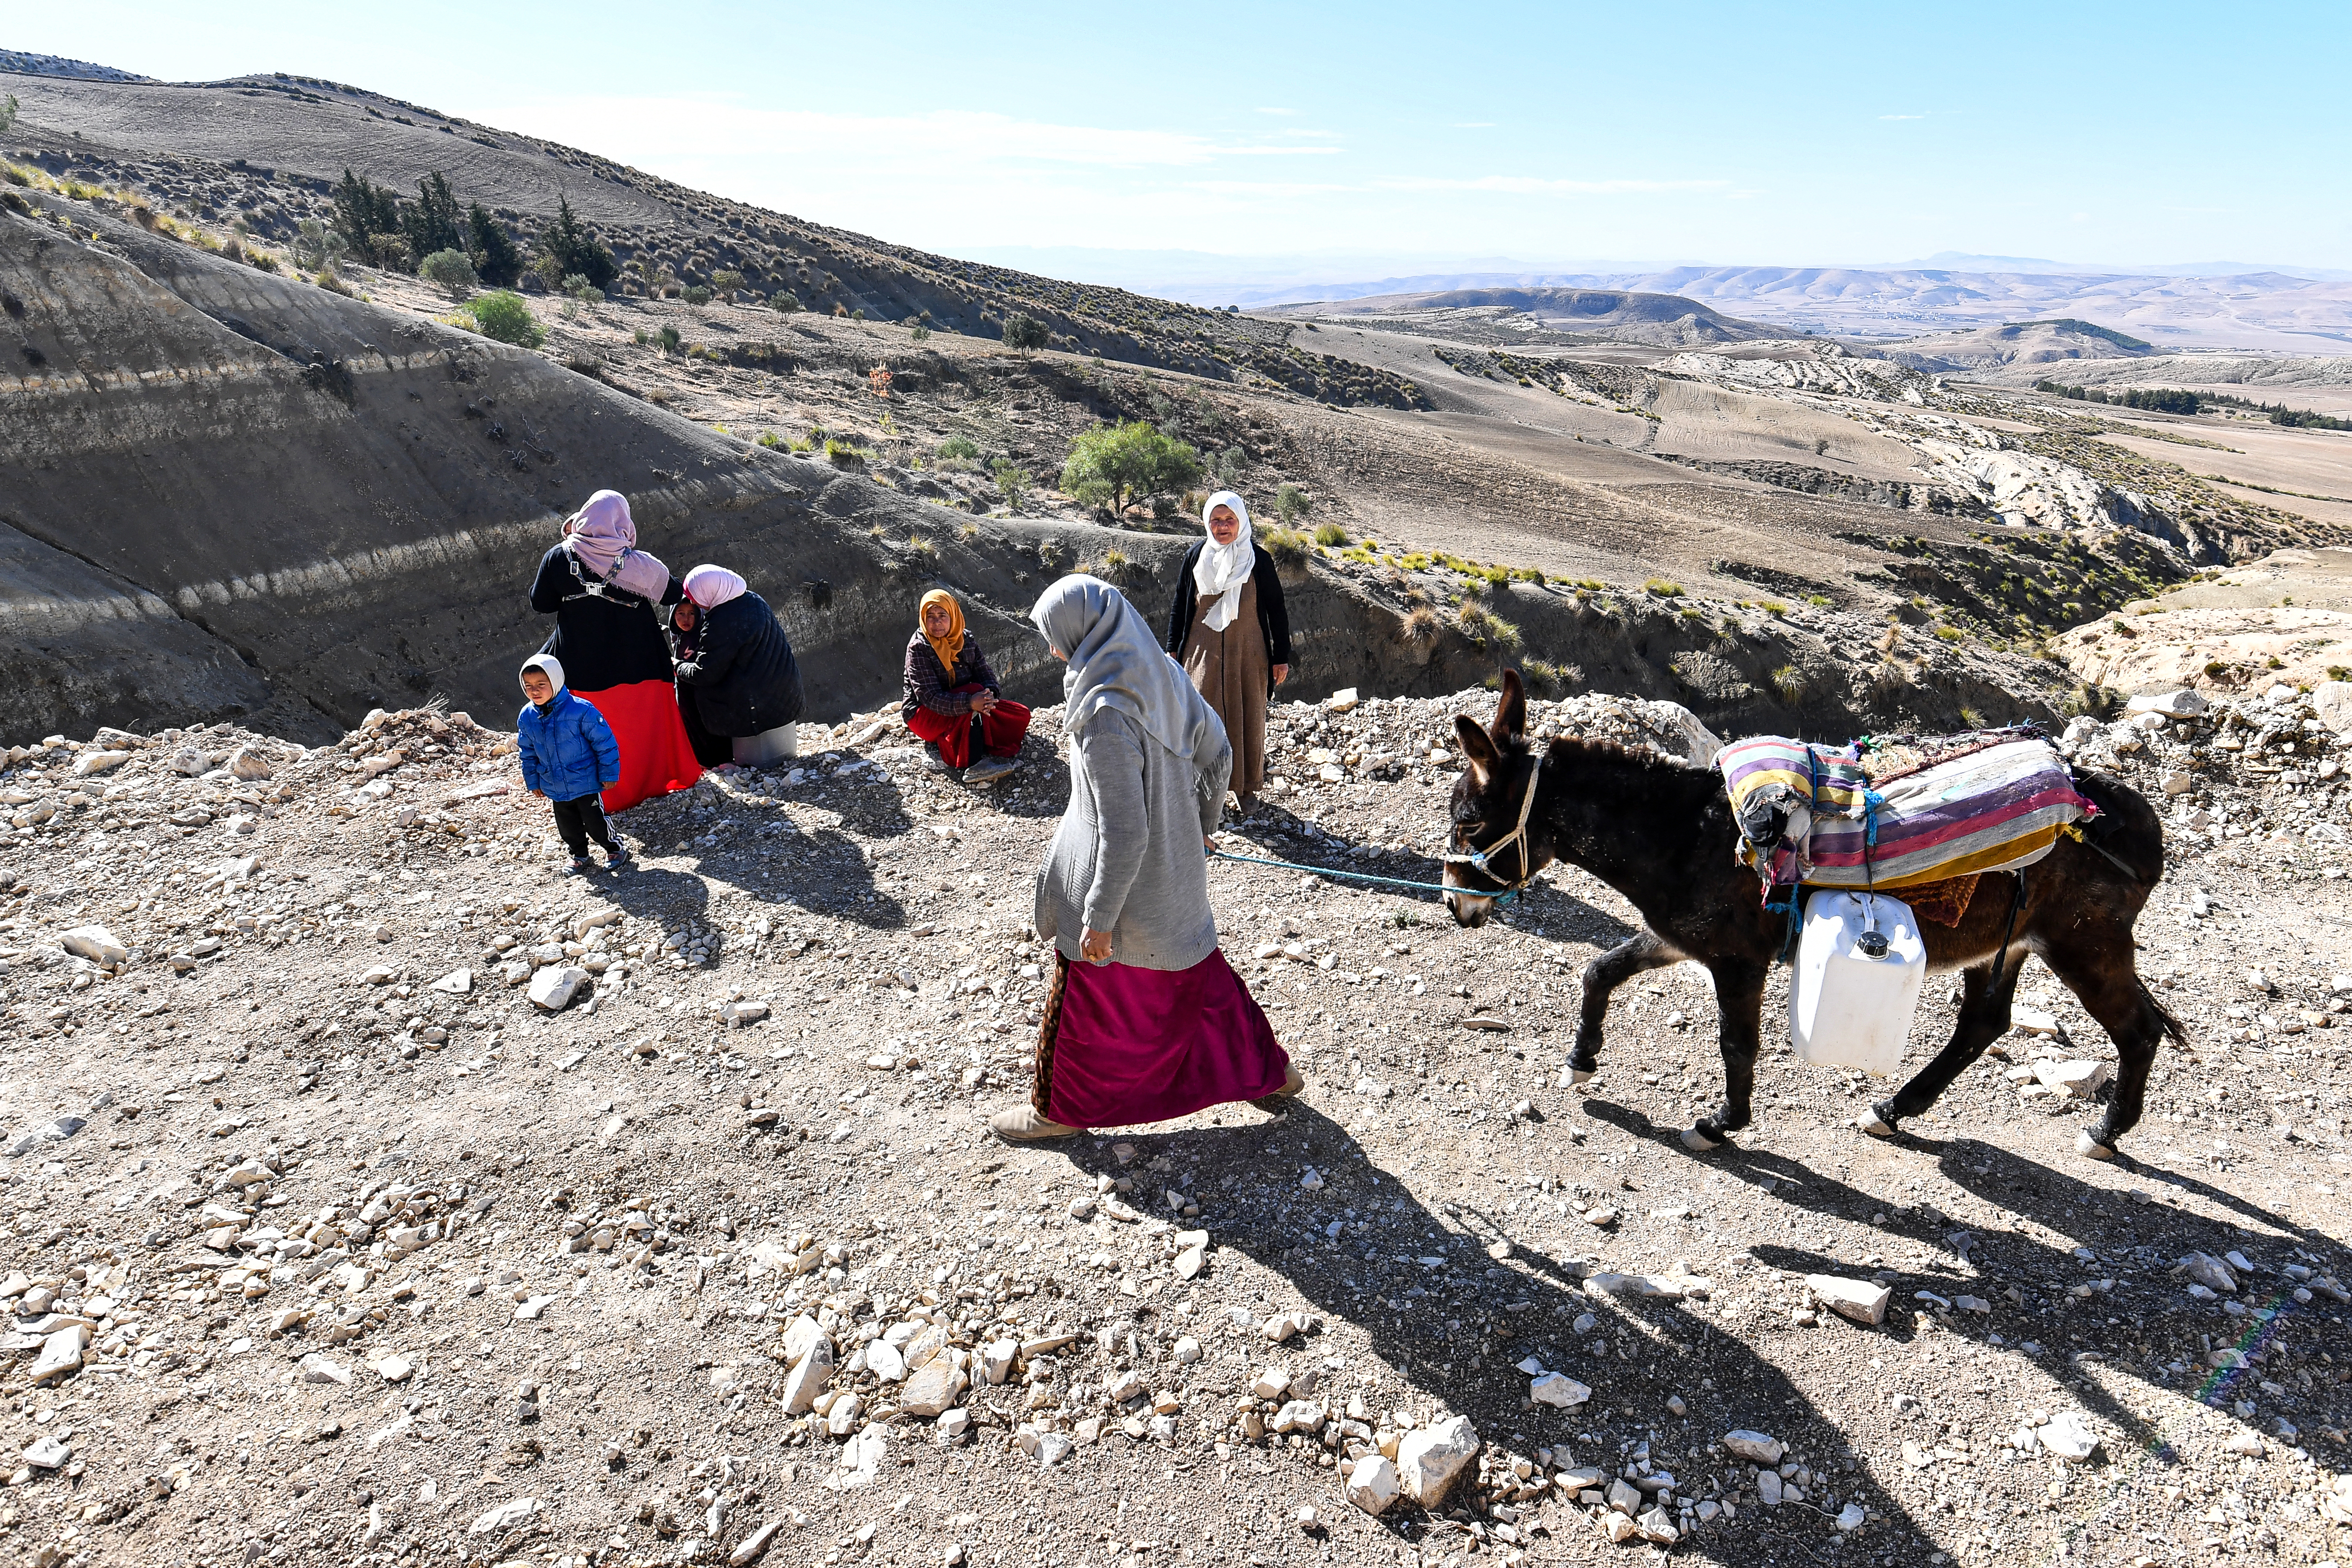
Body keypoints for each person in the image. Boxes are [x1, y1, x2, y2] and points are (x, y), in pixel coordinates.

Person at [994, 575, 1300, 1141]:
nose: (1055, 649)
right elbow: (1219, 752)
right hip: (1176, 877)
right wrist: (1201, 828)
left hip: (1123, 891)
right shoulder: (1161, 671)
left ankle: (1056, 1109)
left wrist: (1100, 920)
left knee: (1083, 1005)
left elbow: (1126, 831)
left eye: (1055, 637)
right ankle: (1272, 1072)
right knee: (1199, 975)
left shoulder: (1105, 713)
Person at [528, 490, 701, 812]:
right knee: (638, 729)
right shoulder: (639, 566)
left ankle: (597, 796)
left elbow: (541, 604)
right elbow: (673, 593)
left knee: (590, 732)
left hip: (581, 664)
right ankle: (648, 784)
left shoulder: (558, 558)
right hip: (640, 663)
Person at [1164, 490, 1290, 814]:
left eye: (1229, 520)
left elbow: (1276, 609)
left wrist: (1281, 656)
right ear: (1207, 523)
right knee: (1202, 721)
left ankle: (1245, 786)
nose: (1222, 527)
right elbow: (1181, 605)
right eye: (1216, 520)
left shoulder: (1258, 560)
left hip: (1249, 655)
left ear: (1241, 521)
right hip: (1201, 655)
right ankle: (1200, 790)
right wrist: (1172, 651)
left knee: (1248, 718)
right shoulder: (1196, 557)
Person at [673, 565, 805, 764]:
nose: (693, 602)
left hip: (756, 706)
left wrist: (677, 665)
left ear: (709, 590)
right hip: (784, 692)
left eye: (694, 596)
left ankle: (714, 758)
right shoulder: (753, 600)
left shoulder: (721, 621)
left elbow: (705, 674)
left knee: (696, 688)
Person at [515, 654, 631, 875]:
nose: (535, 691)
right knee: (567, 825)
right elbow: (527, 752)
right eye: (528, 686)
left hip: (586, 780)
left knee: (595, 821)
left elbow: (605, 743)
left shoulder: (582, 710)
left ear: (556, 681)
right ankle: (580, 856)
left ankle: (615, 849)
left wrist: (609, 773)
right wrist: (533, 781)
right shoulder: (527, 716)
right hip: (555, 784)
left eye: (542, 685)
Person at [902, 588, 1031, 784]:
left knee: (1019, 715)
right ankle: (972, 760)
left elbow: (986, 674)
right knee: (973, 691)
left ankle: (973, 733)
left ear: (953, 615)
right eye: (931, 616)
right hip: (924, 715)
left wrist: (989, 697)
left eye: (943, 615)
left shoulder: (965, 639)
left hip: (964, 704)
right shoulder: (919, 648)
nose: (937, 622)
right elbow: (930, 698)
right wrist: (970, 703)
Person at [665, 596, 731, 770]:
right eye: (681, 613)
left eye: (692, 614)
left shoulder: (702, 637)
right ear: (673, 615)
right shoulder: (678, 636)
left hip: (703, 696)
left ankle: (716, 762)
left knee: (706, 729)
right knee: (691, 728)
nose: (686, 620)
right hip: (685, 695)